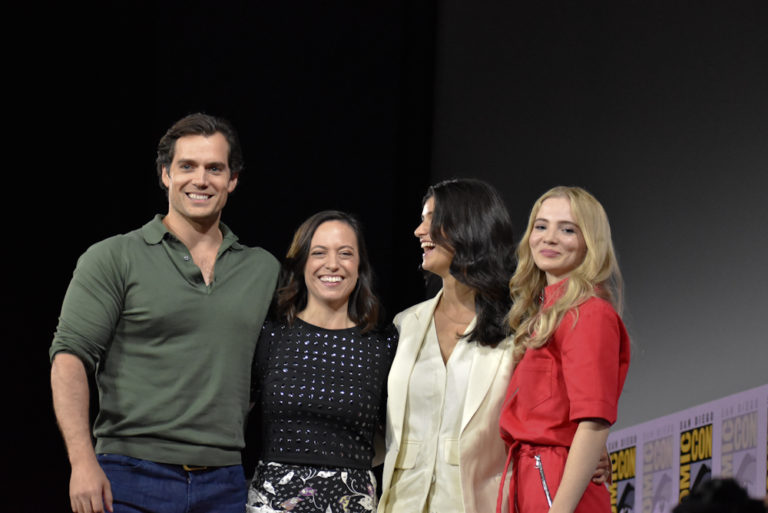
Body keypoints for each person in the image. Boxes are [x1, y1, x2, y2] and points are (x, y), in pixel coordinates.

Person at [50, 113, 279, 513]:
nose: (200, 180)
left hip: (224, 482)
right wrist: (82, 462)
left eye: (214, 168)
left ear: (233, 179)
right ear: (165, 174)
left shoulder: (262, 269)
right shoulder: (114, 257)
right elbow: (69, 359)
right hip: (127, 476)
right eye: (187, 166)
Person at [377, 178, 518, 513]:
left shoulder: (519, 329)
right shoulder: (404, 325)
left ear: (469, 227)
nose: (418, 231)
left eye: (431, 219)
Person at [246, 210, 398, 513]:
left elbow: (398, 435)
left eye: (345, 253)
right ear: (301, 262)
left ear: (360, 266)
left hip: (352, 502)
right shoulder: (270, 334)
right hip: (273, 501)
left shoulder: (383, 344)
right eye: (319, 253)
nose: (332, 264)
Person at [497, 186, 631, 513]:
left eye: (567, 230)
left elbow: (594, 421)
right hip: (530, 479)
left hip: (555, 486)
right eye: (541, 226)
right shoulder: (544, 316)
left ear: (590, 242)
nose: (550, 238)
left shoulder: (589, 313)